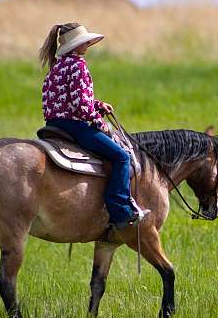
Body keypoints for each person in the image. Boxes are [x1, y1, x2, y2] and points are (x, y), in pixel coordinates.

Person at [39, 22, 147, 229]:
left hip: (54, 124)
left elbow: (69, 98)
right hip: (74, 126)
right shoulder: (78, 65)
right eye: (84, 42)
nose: (87, 45)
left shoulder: (57, 66)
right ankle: (120, 211)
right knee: (121, 157)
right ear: (75, 45)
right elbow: (79, 105)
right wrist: (100, 123)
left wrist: (97, 105)